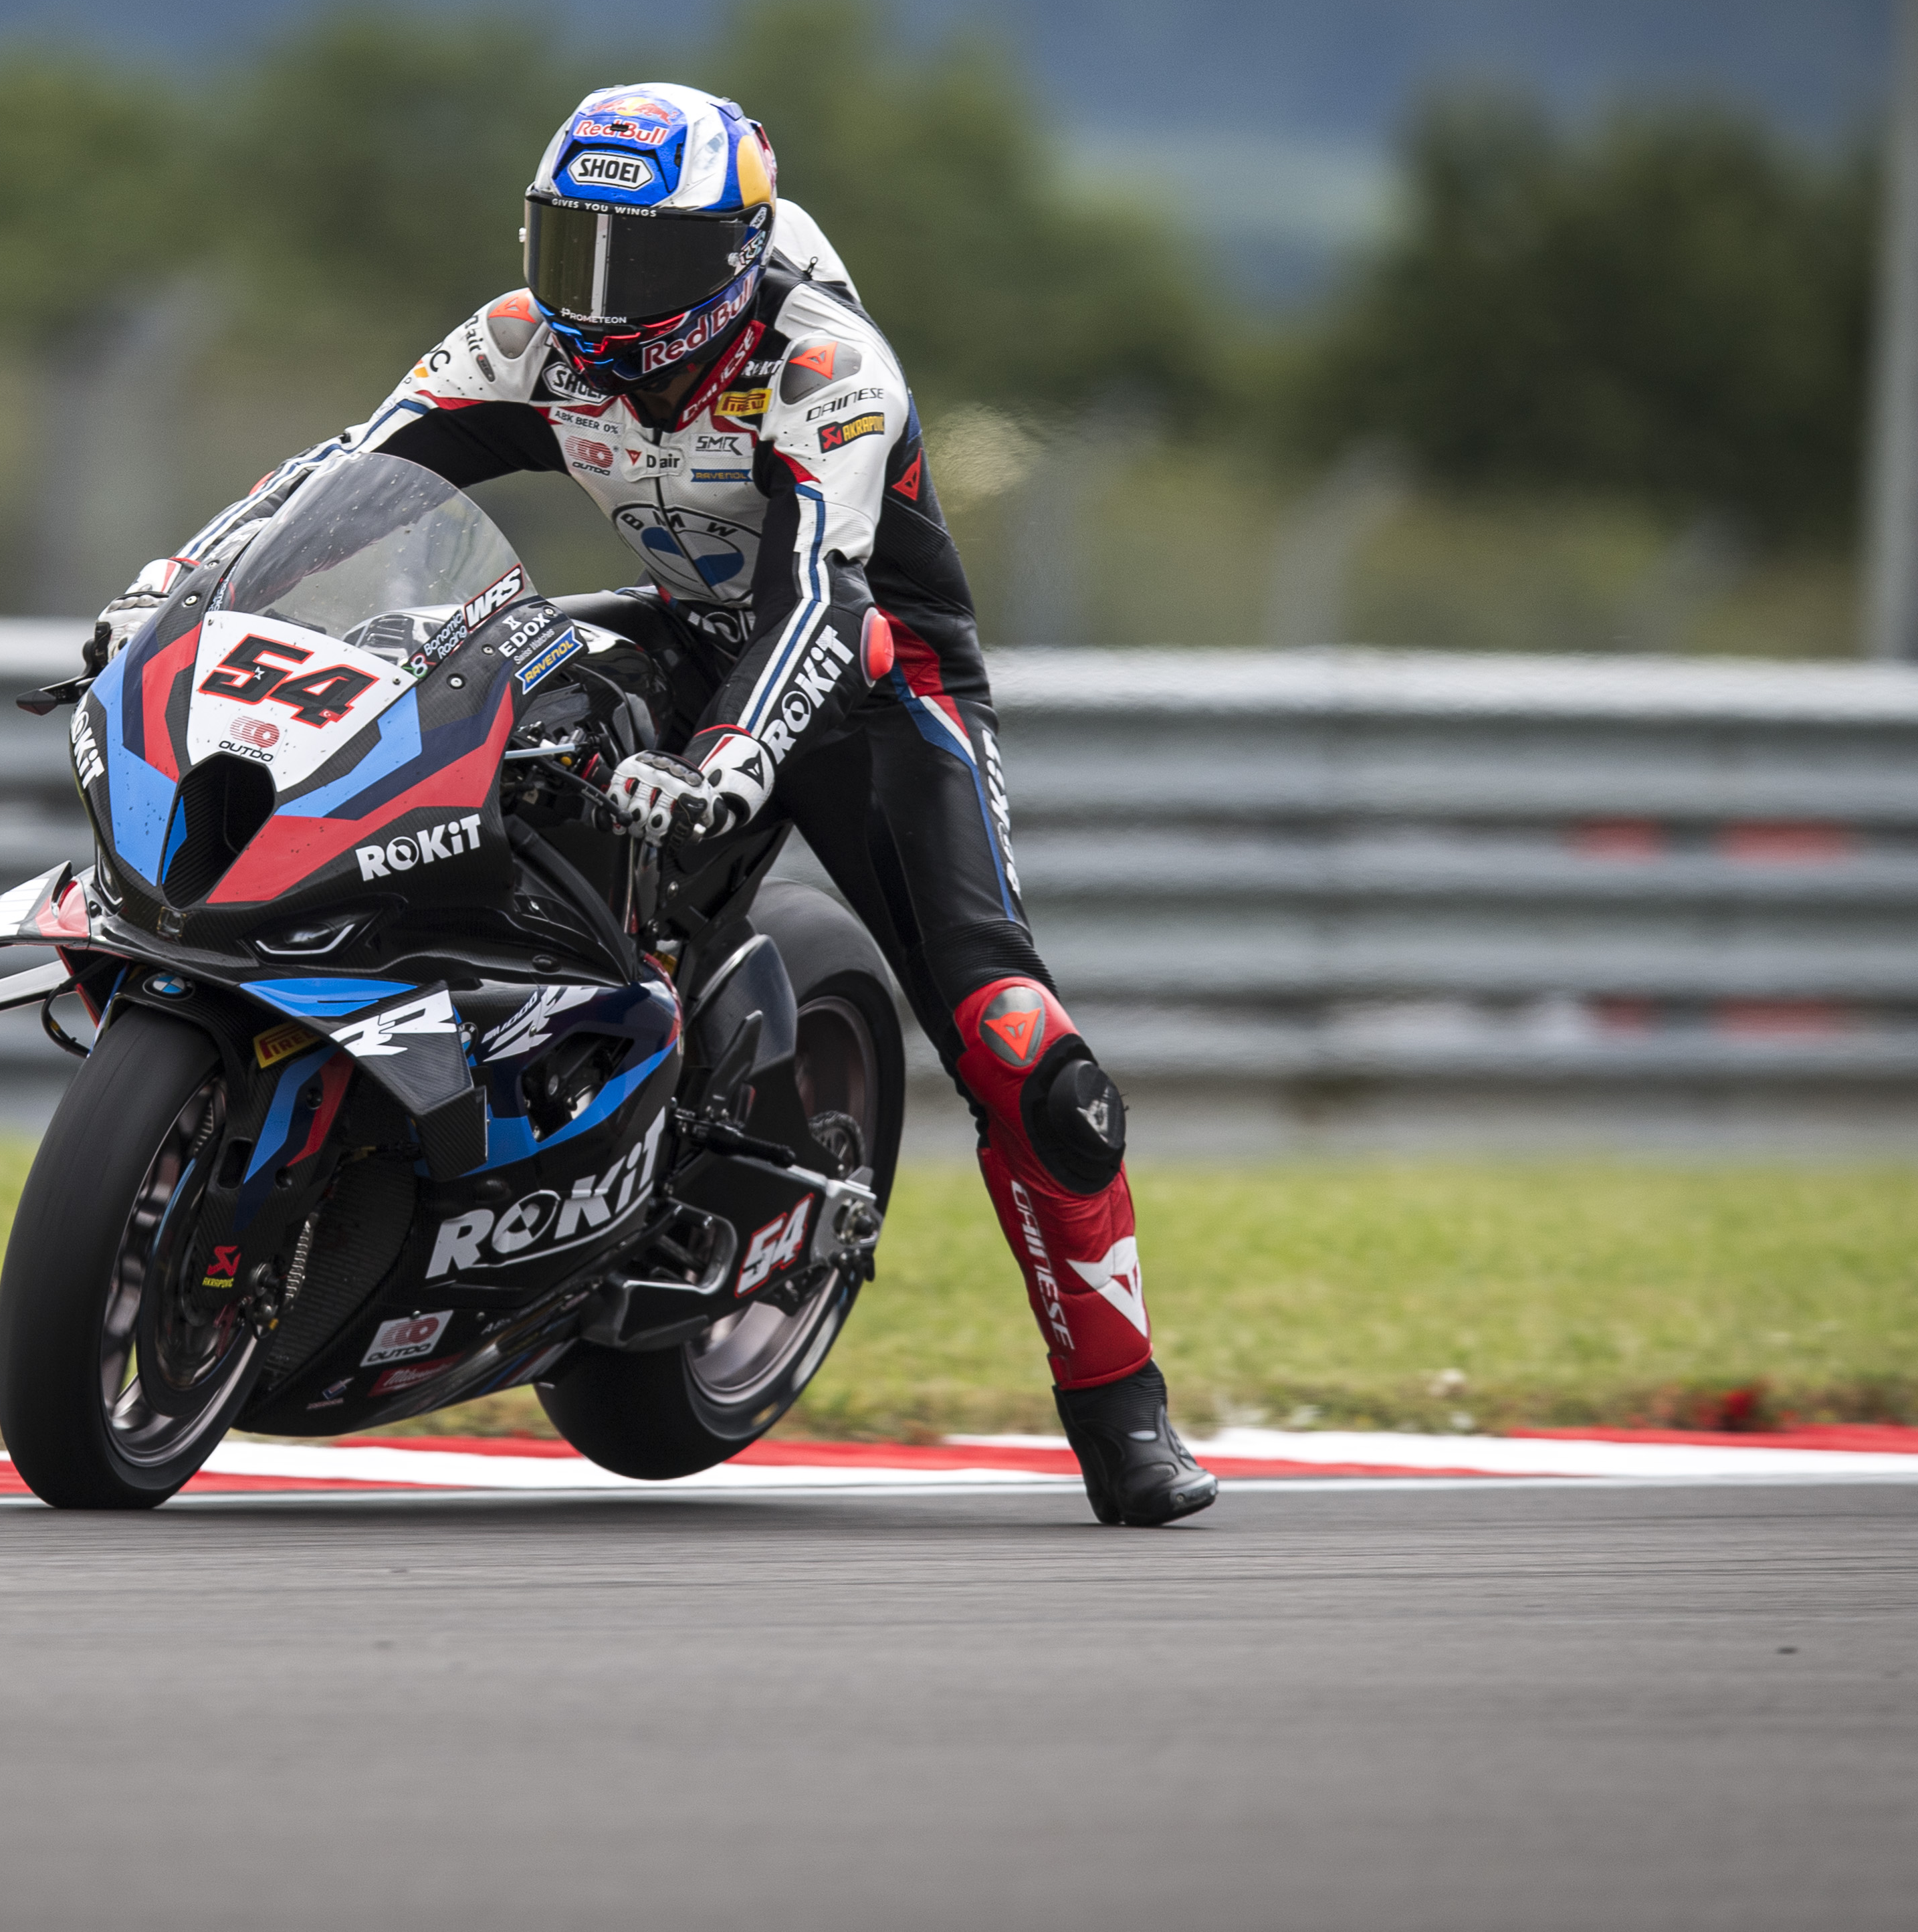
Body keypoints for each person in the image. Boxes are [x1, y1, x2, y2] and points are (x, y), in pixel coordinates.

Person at [91, 82, 1216, 1525]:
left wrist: (733, 755)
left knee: (1017, 1046)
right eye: (576, 247)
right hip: (681, 633)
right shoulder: (524, 338)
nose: (603, 297)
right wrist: (169, 594)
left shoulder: (823, 366)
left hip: (873, 685)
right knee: (444, 706)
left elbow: (816, 596)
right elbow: (345, 479)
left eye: (650, 259)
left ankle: (1122, 1412)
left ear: (735, 257)